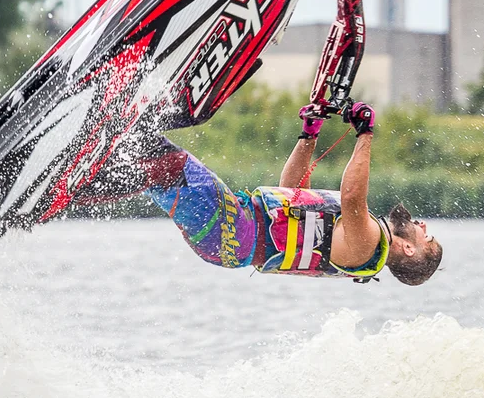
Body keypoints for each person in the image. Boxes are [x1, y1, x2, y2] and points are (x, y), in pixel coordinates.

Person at [120, 101, 441, 285]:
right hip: (228, 237)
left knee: (168, 164)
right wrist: (309, 134)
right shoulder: (364, 244)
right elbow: (292, 192)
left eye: (425, 238)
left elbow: (353, 196)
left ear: (409, 251)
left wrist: (366, 133)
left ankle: (86, 174)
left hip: (233, 230)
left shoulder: (369, 246)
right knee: (151, 156)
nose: (423, 227)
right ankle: (98, 162)